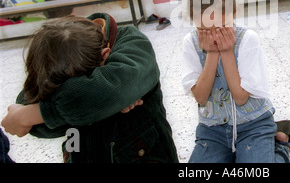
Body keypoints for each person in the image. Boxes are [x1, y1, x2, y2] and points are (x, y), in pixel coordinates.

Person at [1, 13, 178, 163]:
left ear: (105, 56)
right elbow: (31, 112)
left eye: (81, 85)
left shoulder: (132, 42)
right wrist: (99, 102)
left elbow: (112, 91)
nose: (71, 93)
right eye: (62, 91)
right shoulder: (57, 54)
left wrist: (35, 114)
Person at [181, 0, 290, 163]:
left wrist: (226, 52)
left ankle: (280, 144)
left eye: (218, 28)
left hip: (254, 124)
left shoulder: (247, 39)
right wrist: (211, 54)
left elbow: (241, 97)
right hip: (213, 129)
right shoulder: (190, 43)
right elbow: (201, 97)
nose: (212, 37)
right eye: (202, 30)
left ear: (233, 13)